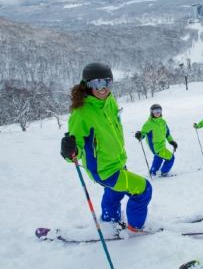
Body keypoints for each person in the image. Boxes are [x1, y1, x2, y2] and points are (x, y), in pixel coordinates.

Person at [60, 62, 152, 233]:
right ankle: (135, 227)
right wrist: (69, 151)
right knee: (143, 189)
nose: (102, 88)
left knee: (115, 193)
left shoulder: (110, 101)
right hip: (103, 170)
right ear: (86, 85)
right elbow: (75, 149)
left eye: (107, 83)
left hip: (117, 160)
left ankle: (110, 220)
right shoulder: (81, 114)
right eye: (96, 83)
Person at [135, 104, 178, 177]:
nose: (157, 113)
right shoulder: (149, 124)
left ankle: (153, 172)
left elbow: (167, 133)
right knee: (171, 158)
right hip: (155, 147)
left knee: (159, 158)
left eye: (159, 110)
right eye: (155, 111)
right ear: (151, 112)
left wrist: (171, 141)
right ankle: (164, 172)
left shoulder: (163, 122)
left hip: (162, 145)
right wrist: (139, 135)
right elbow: (143, 133)